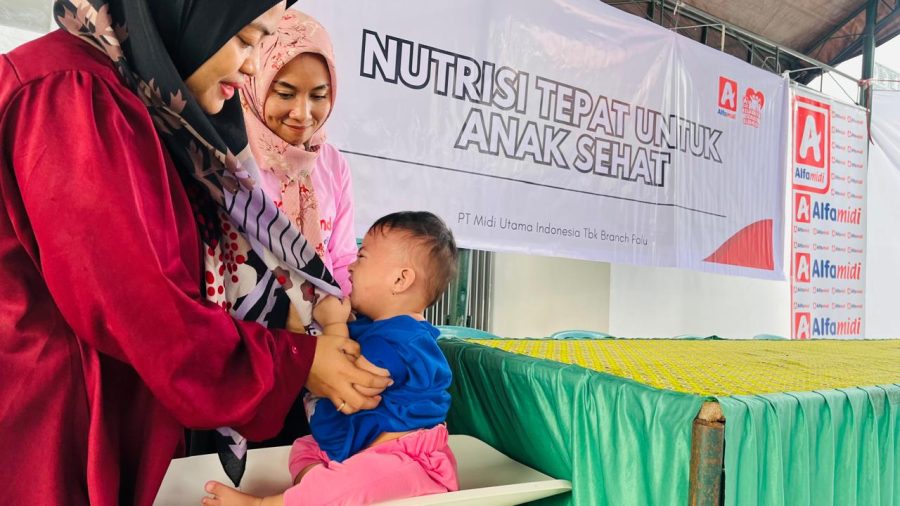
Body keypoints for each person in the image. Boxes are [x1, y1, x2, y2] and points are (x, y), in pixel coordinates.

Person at [0, 1, 391, 504]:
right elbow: (145, 312)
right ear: (191, 13)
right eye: (246, 40)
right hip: (58, 430)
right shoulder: (71, 93)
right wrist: (296, 361)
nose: (251, 65)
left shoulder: (138, 103)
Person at [203, 211, 461, 506]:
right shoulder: (370, 329)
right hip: (360, 450)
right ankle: (316, 491)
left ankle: (267, 504)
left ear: (400, 279)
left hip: (407, 464)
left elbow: (349, 385)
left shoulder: (404, 341)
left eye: (362, 257)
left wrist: (335, 325)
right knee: (304, 448)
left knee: (348, 484)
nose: (350, 266)